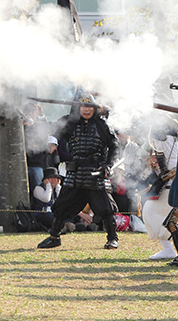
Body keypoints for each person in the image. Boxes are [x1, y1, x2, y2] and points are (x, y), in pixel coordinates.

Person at [37, 92, 119, 250]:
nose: (86, 110)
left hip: (95, 172)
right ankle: (54, 237)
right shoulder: (70, 123)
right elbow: (54, 130)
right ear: (78, 108)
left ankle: (112, 238)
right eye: (83, 106)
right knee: (61, 206)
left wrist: (108, 165)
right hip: (75, 173)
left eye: (90, 106)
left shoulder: (102, 125)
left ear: (95, 108)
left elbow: (114, 146)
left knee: (105, 208)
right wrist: (47, 130)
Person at [32, 167, 63, 231]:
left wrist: (58, 187)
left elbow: (61, 199)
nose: (54, 180)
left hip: (54, 213)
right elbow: (47, 199)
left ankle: (67, 225)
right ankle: (63, 226)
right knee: (49, 216)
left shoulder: (57, 189)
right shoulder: (38, 188)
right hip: (42, 214)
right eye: (51, 178)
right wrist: (48, 185)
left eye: (56, 178)